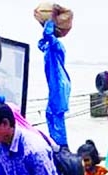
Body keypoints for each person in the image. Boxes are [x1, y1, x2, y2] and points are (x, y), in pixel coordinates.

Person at [38, 18, 71, 150]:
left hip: (59, 83)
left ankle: (62, 145)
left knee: (56, 113)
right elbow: (40, 44)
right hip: (55, 84)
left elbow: (47, 35)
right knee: (50, 113)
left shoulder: (56, 45)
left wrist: (50, 20)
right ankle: (55, 141)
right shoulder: (49, 47)